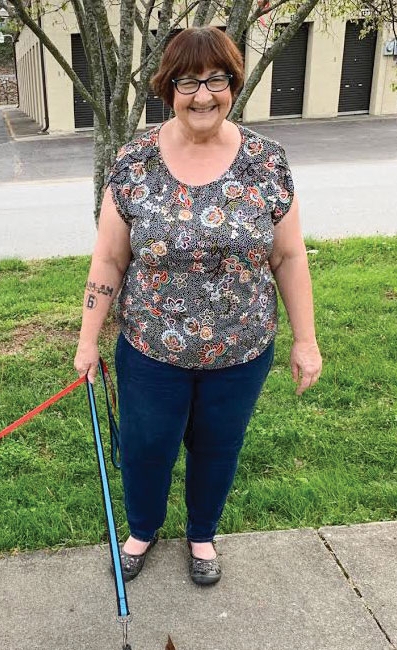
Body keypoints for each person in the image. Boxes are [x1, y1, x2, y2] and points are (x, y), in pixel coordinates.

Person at [73, 26, 322, 586]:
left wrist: (306, 341)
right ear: (169, 88)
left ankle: (202, 535)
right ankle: (141, 529)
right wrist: (87, 339)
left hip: (241, 350)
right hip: (151, 349)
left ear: (234, 84)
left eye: (216, 80)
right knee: (146, 446)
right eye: (188, 81)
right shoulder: (135, 161)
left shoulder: (266, 161)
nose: (203, 95)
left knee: (218, 447)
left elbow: (288, 258)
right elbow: (110, 260)